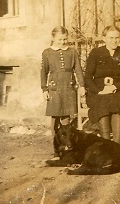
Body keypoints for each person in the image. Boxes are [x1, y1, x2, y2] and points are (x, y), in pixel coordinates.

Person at [84, 26, 120, 143]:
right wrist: (99, 91)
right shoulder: (96, 53)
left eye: (117, 38)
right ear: (104, 38)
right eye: (111, 38)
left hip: (117, 90)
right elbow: (87, 77)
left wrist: (115, 87)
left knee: (116, 101)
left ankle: (116, 145)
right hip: (98, 91)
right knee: (102, 102)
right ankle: (106, 145)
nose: (114, 41)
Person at [41, 26, 85, 158]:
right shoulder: (47, 53)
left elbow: (78, 69)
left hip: (68, 88)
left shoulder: (72, 52)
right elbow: (43, 71)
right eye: (59, 39)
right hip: (54, 90)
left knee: (66, 120)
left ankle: (68, 149)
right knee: (55, 121)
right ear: (53, 38)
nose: (62, 42)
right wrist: (44, 89)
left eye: (65, 39)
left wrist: (82, 85)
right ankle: (56, 150)